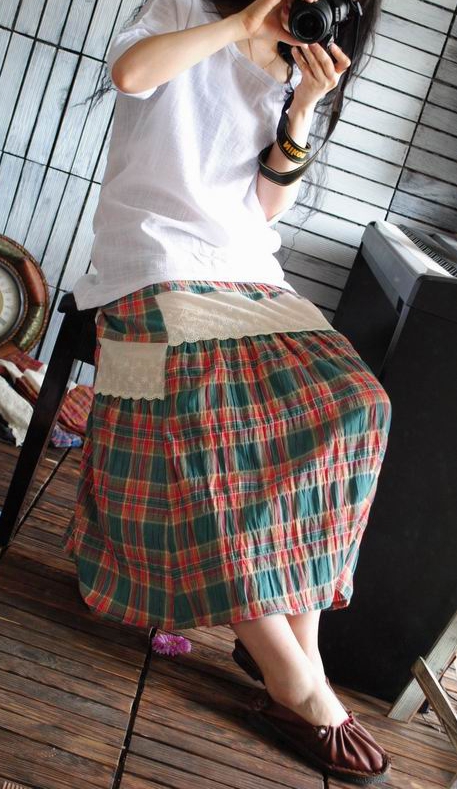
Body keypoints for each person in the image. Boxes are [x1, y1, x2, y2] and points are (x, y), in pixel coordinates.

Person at [61, 0, 393, 782]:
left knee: (356, 404)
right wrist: (242, 25)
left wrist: (303, 106)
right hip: (145, 265)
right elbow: (130, 73)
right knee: (201, 405)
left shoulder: (301, 58)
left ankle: (296, 656)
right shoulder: (187, 11)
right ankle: (294, 680)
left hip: (244, 270)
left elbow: (266, 204)